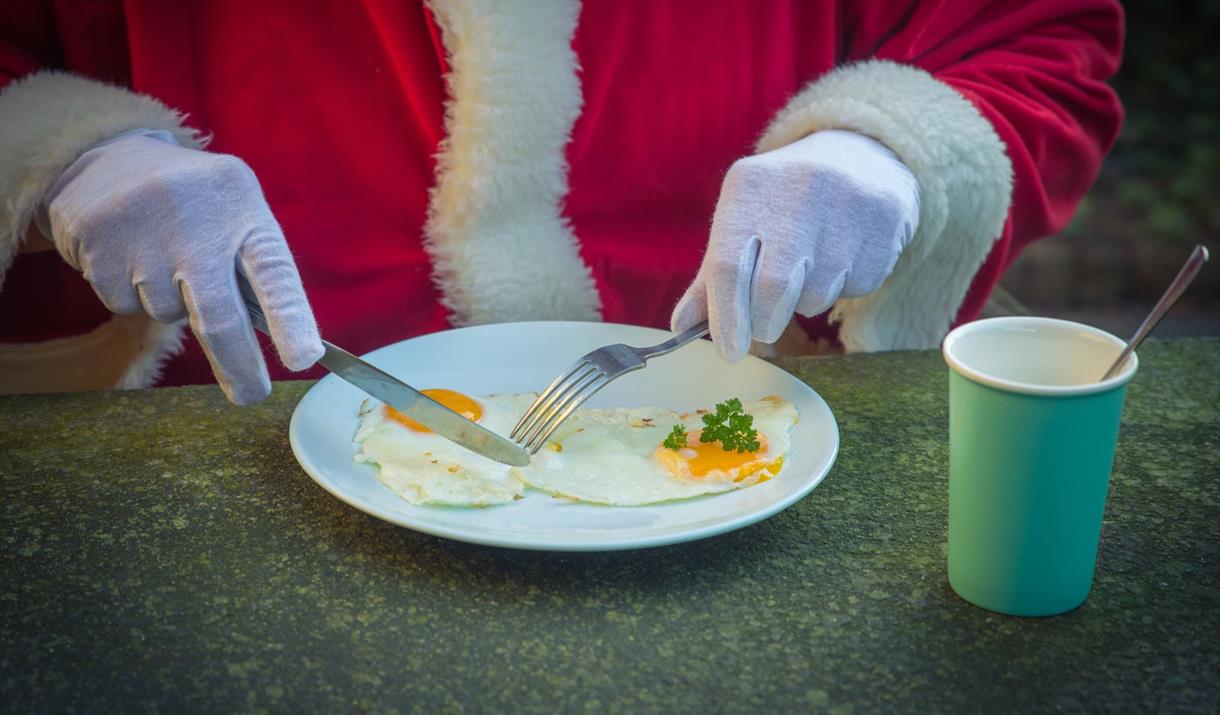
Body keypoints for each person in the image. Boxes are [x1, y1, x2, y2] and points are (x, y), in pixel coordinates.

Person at [0, 1, 1123, 403]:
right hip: (215, 439)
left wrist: (888, 152)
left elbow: (1032, 32)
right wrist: (67, 155)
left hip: (730, 432)